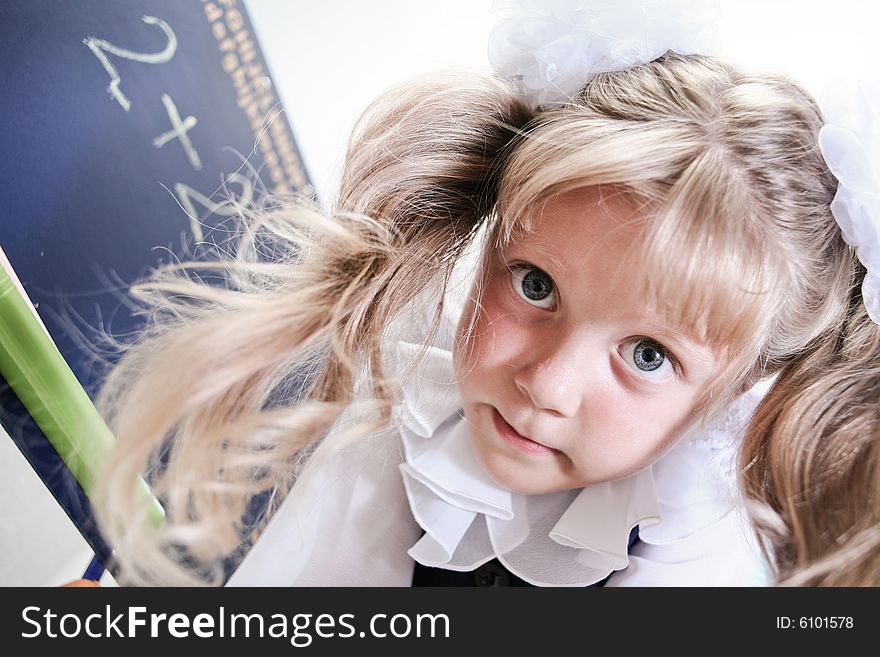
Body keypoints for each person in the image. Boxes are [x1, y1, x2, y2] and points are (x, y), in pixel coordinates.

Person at [89, 3, 880, 587]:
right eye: (535, 285)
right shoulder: (407, 428)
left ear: (743, 387)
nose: (545, 382)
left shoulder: (705, 569)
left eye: (648, 355)